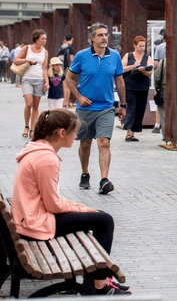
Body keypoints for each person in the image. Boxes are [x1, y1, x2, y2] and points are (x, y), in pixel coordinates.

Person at [11, 109, 131, 295]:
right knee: (104, 220)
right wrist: (81, 209)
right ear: (61, 132)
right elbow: (53, 205)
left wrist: (81, 209)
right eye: (74, 132)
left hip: (28, 220)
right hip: (35, 225)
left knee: (96, 216)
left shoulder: (36, 150)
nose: (75, 136)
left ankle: (99, 280)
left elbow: (51, 201)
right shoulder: (46, 159)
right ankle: (99, 284)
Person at [66, 23, 126, 195]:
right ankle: (85, 173)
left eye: (106, 35)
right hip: (85, 108)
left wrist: (123, 105)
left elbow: (120, 81)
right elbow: (69, 78)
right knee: (85, 143)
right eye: (100, 35)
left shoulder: (114, 56)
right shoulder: (81, 56)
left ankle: (104, 180)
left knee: (104, 142)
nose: (104, 38)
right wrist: (79, 97)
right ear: (92, 38)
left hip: (106, 107)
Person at [14, 29, 49, 138]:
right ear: (36, 39)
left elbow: (44, 69)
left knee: (35, 106)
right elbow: (16, 60)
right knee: (29, 104)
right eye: (42, 39)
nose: (44, 41)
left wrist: (47, 82)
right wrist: (27, 60)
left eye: (45, 39)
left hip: (39, 80)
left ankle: (33, 129)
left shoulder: (45, 52)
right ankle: (26, 126)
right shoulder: (27, 48)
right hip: (27, 79)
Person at [121, 36, 153, 142]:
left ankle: (133, 133)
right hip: (129, 86)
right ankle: (128, 133)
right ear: (134, 45)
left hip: (143, 87)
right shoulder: (128, 55)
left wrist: (143, 70)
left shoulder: (147, 57)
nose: (142, 48)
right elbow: (121, 68)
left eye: (143, 46)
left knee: (140, 110)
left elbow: (150, 72)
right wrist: (133, 66)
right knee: (131, 108)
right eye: (140, 46)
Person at [151, 30, 166, 134]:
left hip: (162, 77)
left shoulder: (160, 47)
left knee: (160, 103)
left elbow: (155, 63)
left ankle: (157, 124)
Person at [57, 33, 75, 107]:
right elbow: (72, 60)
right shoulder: (70, 48)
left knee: (64, 85)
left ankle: (63, 102)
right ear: (72, 39)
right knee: (67, 85)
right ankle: (66, 102)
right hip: (67, 67)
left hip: (60, 67)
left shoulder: (61, 47)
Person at [153, 56, 167, 141]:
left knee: (164, 113)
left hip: (165, 89)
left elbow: (157, 76)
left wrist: (158, 89)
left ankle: (167, 136)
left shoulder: (164, 61)